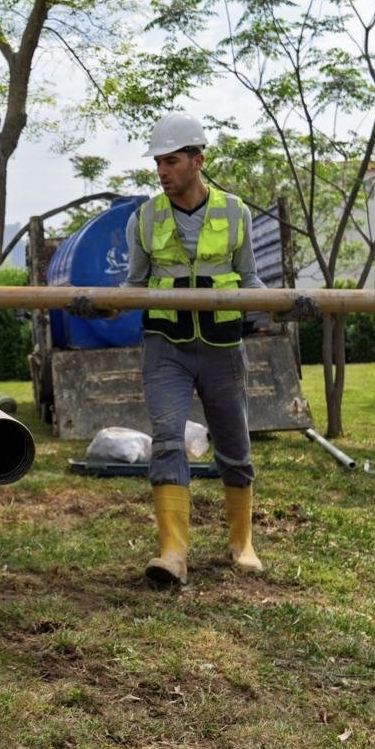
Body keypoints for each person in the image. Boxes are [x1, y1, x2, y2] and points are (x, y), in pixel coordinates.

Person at [122, 111, 265, 584]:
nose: (163, 171)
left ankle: (241, 542)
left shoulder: (234, 211)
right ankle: (173, 553)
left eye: (172, 161)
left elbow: (249, 278)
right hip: (167, 345)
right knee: (166, 440)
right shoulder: (144, 218)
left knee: (234, 446)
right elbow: (134, 285)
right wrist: (94, 306)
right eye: (159, 162)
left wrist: (278, 305)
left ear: (198, 160)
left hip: (222, 345)